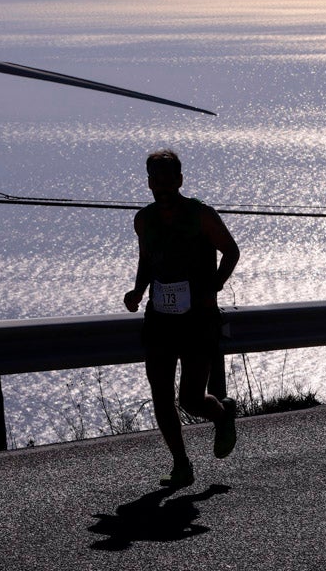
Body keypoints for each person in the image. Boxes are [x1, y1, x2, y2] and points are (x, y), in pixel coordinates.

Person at [123, 149, 241, 487]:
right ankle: (181, 465)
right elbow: (147, 260)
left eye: (166, 180)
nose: (160, 187)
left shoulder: (201, 215)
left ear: (179, 180)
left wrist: (214, 287)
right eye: (154, 180)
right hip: (159, 318)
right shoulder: (143, 220)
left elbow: (230, 251)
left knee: (190, 399)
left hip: (197, 320)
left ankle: (222, 413)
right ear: (148, 182)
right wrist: (137, 291)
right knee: (161, 394)